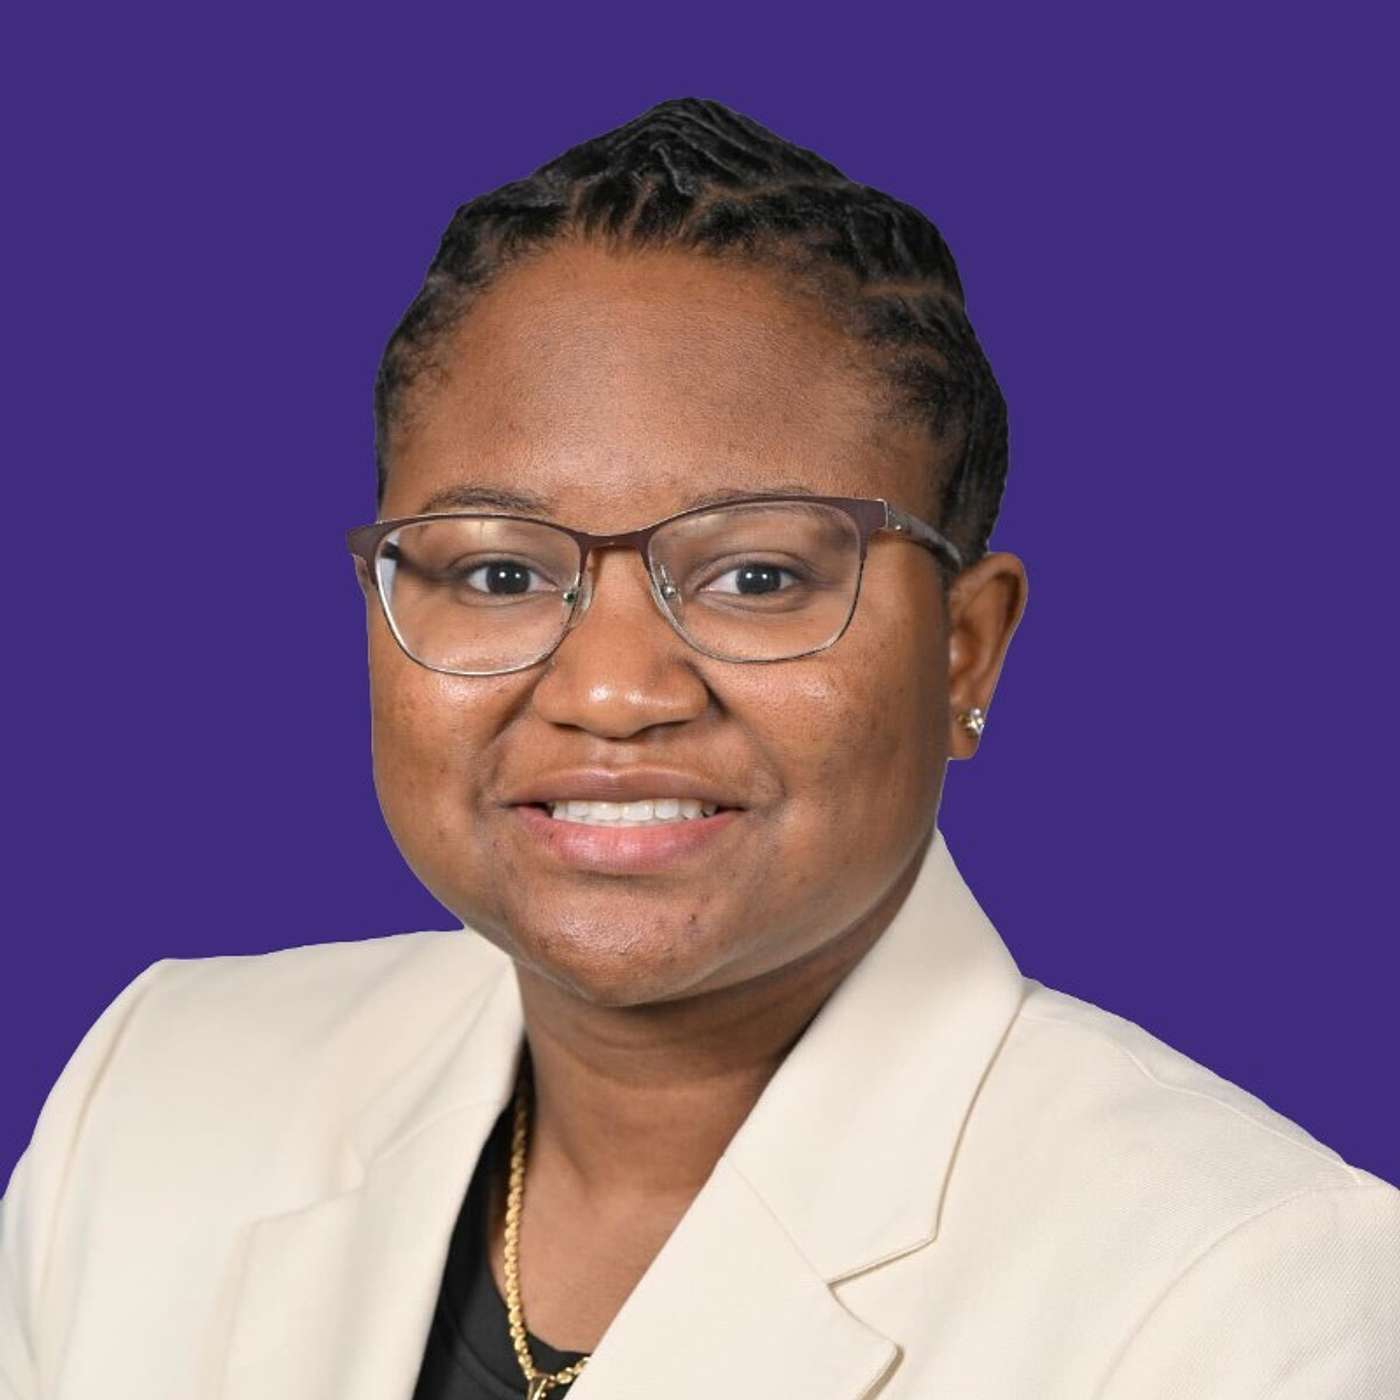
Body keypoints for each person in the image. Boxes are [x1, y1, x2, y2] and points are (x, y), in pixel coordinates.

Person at [2, 97, 1396, 1400]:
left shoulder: (1247, 1289)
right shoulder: (154, 1095)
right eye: (499, 573)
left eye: (758, 576)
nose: (614, 693)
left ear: (965, 648)